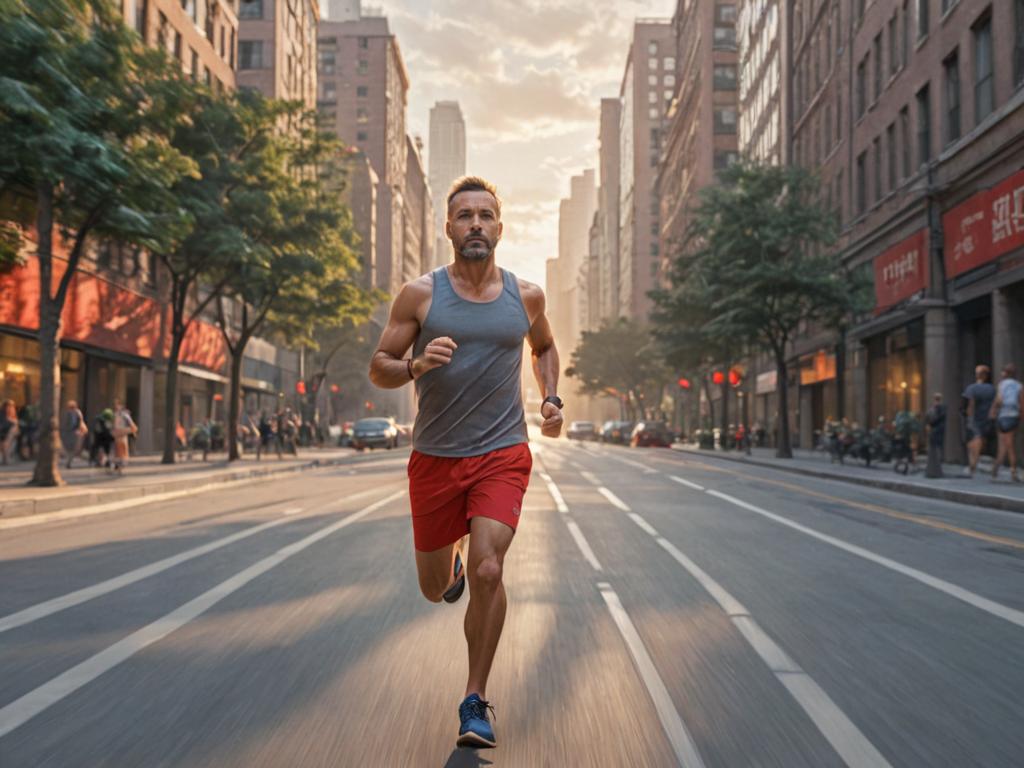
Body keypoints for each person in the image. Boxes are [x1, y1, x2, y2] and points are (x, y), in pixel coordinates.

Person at [368, 176, 563, 750]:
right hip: (435, 459)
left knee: (489, 570)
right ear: (448, 228)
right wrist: (415, 366)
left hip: (502, 454)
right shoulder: (420, 295)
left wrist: (550, 397)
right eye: (464, 216)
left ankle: (475, 699)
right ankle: (447, 571)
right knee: (435, 588)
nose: (475, 224)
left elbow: (545, 347)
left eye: (485, 215)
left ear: (500, 228)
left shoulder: (525, 297)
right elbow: (379, 364)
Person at [990, 363, 1023, 482]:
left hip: (1002, 416)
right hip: (1013, 416)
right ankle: (1012, 471)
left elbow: (998, 400)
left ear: (1006, 373)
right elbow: (1022, 403)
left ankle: (996, 467)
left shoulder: (1002, 385)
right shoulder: (1019, 386)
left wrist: (993, 411)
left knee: (1003, 445)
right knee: (1009, 445)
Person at [961, 365, 995, 478]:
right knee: (978, 441)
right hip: (987, 419)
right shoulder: (992, 389)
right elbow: (994, 405)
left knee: (973, 442)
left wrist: (968, 418)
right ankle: (973, 465)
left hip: (975, 419)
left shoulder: (972, 388)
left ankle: (972, 466)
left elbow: (970, 404)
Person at [111, 398, 137, 474]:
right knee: (117, 450)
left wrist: (132, 429)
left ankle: (120, 466)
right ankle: (118, 466)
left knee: (122, 450)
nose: (116, 406)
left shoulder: (125, 414)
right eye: (115, 404)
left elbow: (131, 423)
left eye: (118, 404)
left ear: (121, 405)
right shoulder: (114, 414)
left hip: (122, 434)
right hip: (117, 434)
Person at [60, 400, 88, 469]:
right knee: (70, 448)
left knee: (72, 448)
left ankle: (69, 461)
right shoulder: (70, 413)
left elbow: (79, 422)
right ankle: (69, 461)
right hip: (71, 433)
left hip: (74, 433)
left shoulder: (76, 413)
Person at [925, 393, 946, 478]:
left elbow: (933, 420)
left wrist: (929, 424)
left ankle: (935, 471)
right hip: (935, 432)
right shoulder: (934, 409)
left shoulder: (940, 409)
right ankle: (933, 471)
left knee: (936, 451)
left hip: (936, 432)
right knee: (934, 451)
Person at [0, 399, 19, 465]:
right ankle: (5, 459)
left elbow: (15, 423)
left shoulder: (12, 412)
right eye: (7, 406)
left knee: (7, 445)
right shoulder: (2, 413)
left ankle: (6, 459)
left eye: (11, 406)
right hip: (3, 431)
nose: (9, 407)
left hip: (10, 432)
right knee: (4, 446)